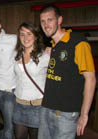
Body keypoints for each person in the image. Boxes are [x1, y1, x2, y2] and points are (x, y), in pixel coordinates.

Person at [38, 5, 96, 139]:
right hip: (46, 108)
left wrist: (84, 114)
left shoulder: (78, 43)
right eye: (43, 21)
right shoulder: (53, 45)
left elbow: (90, 79)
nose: (46, 24)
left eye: (49, 20)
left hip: (66, 113)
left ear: (59, 20)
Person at [13, 22, 50, 139]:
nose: (25, 38)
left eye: (29, 34)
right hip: (19, 104)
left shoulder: (45, 56)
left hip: (37, 106)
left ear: (36, 36)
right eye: (22, 34)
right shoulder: (17, 55)